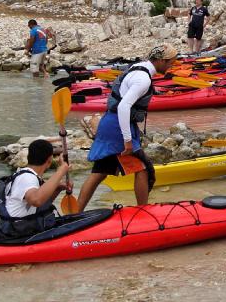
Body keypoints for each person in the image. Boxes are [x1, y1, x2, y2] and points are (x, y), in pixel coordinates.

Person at [75, 44, 179, 211]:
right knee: (143, 168)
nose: (170, 66)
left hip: (109, 122)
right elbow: (124, 107)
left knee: (99, 172)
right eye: (170, 63)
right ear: (160, 60)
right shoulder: (143, 79)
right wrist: (128, 140)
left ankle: (74, 212)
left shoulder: (138, 68)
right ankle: (143, 212)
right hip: (118, 126)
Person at [0, 139, 71, 240]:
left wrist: (57, 188)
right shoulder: (27, 178)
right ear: (49, 161)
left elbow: (40, 205)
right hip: (16, 233)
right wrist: (62, 169)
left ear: (28, 157)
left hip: (19, 229)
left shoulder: (28, 175)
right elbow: (36, 200)